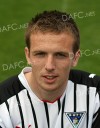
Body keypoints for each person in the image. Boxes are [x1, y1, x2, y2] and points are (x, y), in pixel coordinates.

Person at [0, 10, 100, 128]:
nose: (49, 66)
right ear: (28, 55)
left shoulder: (95, 94)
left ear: (75, 58)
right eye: (40, 54)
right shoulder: (4, 103)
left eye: (60, 55)